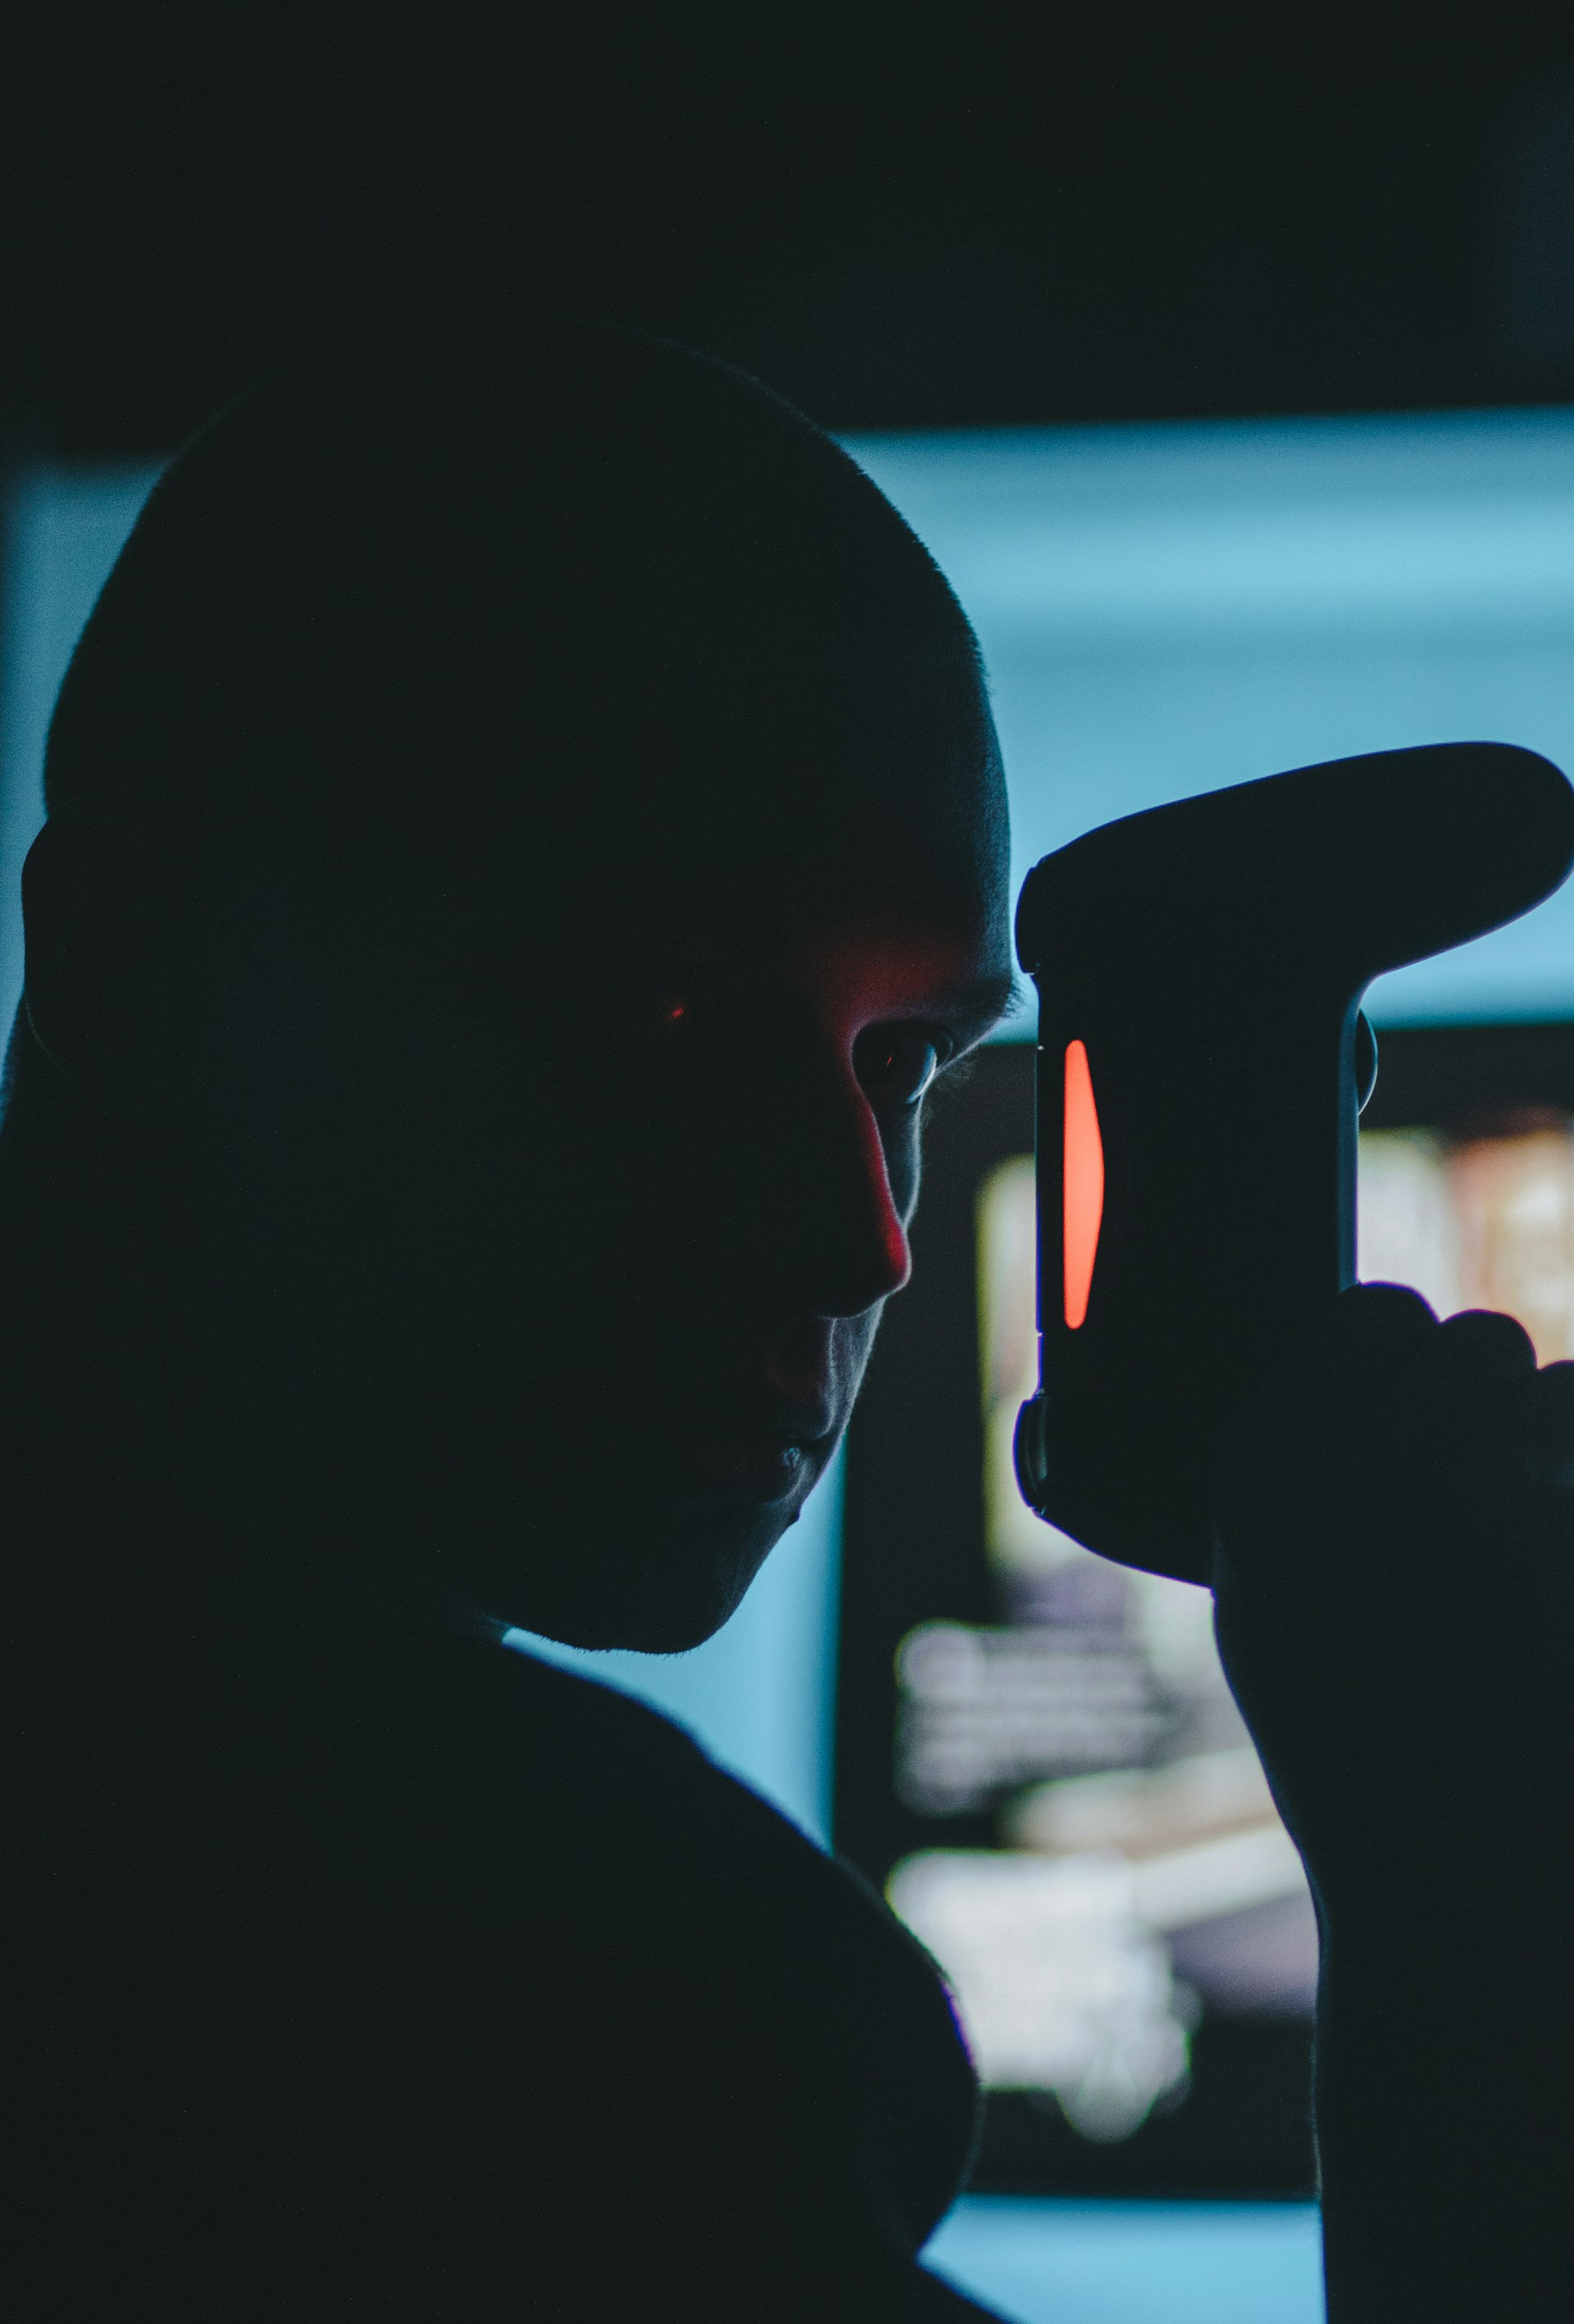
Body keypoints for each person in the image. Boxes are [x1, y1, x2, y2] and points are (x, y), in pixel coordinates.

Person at [3, 307, 1569, 2322]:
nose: (862, 1245)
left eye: (906, 1066)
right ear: (132, 958)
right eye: (656, 1010)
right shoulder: (572, 2032)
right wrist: (1472, 1919)